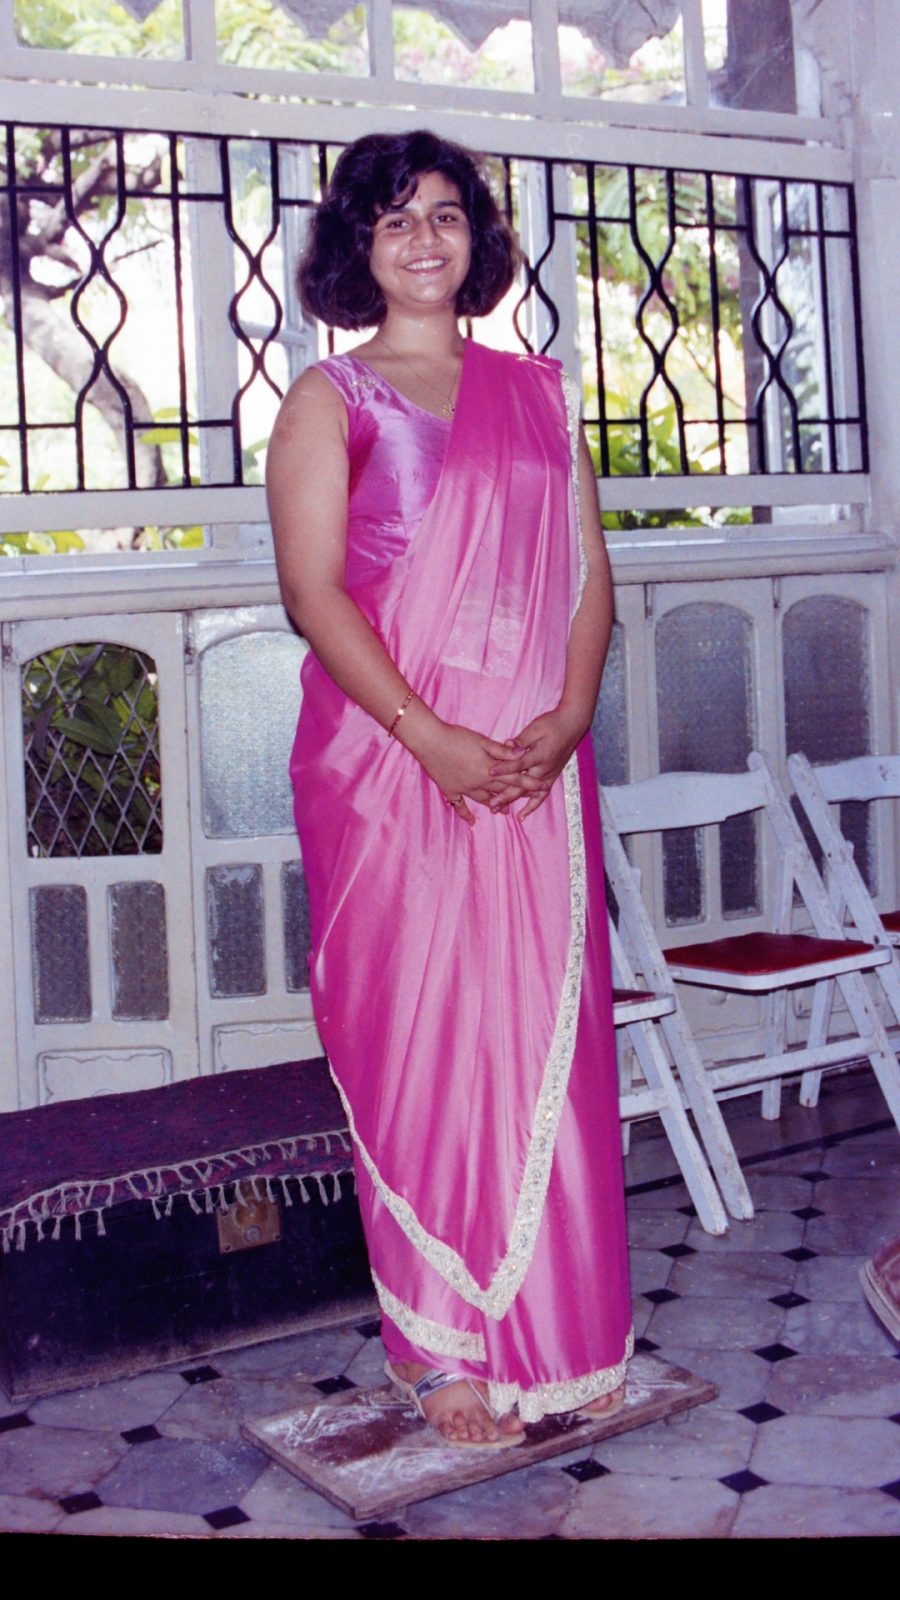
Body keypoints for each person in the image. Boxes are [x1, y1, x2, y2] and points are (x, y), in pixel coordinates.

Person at [267, 130, 632, 1447]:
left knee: (534, 1041)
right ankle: (438, 1347)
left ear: (477, 236)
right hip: (391, 768)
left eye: (445, 215)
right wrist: (429, 739)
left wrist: (568, 718)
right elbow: (314, 594)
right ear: (356, 249)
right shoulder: (331, 400)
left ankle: (555, 1334)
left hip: (532, 770)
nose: (424, 239)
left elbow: (589, 579)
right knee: (419, 1045)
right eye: (393, 220)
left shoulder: (539, 393)